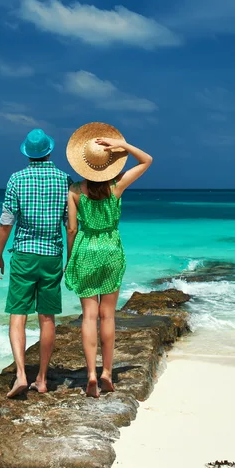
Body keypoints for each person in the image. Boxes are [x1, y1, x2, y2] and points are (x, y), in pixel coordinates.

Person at [64, 122, 152, 398]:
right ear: (110, 164)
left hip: (86, 250)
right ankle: (106, 373)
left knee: (89, 316)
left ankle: (90, 374)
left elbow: (71, 229)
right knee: (108, 316)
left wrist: (70, 259)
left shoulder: (75, 191)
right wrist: (123, 146)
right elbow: (147, 160)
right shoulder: (117, 186)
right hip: (111, 250)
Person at [0, 128, 72, 398]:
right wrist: (71, 256)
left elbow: (7, 220)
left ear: (27, 153)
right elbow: (70, 224)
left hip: (24, 254)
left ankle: (21, 374)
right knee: (47, 318)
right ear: (49, 151)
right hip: (52, 255)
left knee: (18, 315)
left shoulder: (16, 179)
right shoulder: (64, 180)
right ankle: (41, 378)